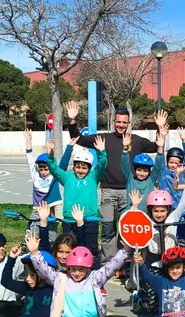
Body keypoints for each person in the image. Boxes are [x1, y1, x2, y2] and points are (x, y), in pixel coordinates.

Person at [66, 101, 164, 263]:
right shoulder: (103, 138)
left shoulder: (137, 141)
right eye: (118, 121)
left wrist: (160, 129)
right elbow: (79, 139)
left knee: (125, 229)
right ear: (114, 122)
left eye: (124, 122)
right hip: (108, 191)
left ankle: (124, 261)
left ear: (128, 123)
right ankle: (108, 263)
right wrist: (72, 121)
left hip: (129, 192)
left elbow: (156, 146)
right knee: (107, 228)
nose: (121, 125)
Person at [26, 229, 129, 317]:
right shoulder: (60, 278)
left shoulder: (95, 278)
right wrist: (34, 252)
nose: (77, 273)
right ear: (68, 268)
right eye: (73, 269)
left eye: (81, 269)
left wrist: (125, 251)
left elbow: (111, 267)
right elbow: (44, 271)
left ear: (88, 268)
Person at [45, 139, 108, 261]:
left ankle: (92, 272)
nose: (80, 170)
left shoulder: (93, 177)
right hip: (70, 220)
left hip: (89, 220)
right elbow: (54, 170)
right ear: (73, 167)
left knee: (90, 249)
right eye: (77, 167)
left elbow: (102, 165)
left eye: (84, 168)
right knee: (70, 249)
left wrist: (102, 152)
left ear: (89, 168)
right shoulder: (68, 177)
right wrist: (50, 155)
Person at [121, 126, 166, 210]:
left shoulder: (151, 180)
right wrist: (125, 148)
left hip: (147, 215)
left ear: (149, 172)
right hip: (132, 213)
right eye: (139, 170)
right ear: (134, 170)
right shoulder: (130, 179)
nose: (142, 173)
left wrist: (160, 148)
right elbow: (125, 164)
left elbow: (158, 166)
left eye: (145, 171)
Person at [25, 127, 62, 217]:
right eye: (41, 169)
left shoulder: (54, 176)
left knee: (51, 231)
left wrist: (51, 152)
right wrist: (29, 142)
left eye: (46, 169)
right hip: (37, 212)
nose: (43, 172)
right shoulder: (36, 176)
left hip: (50, 212)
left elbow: (54, 164)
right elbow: (30, 160)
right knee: (32, 231)